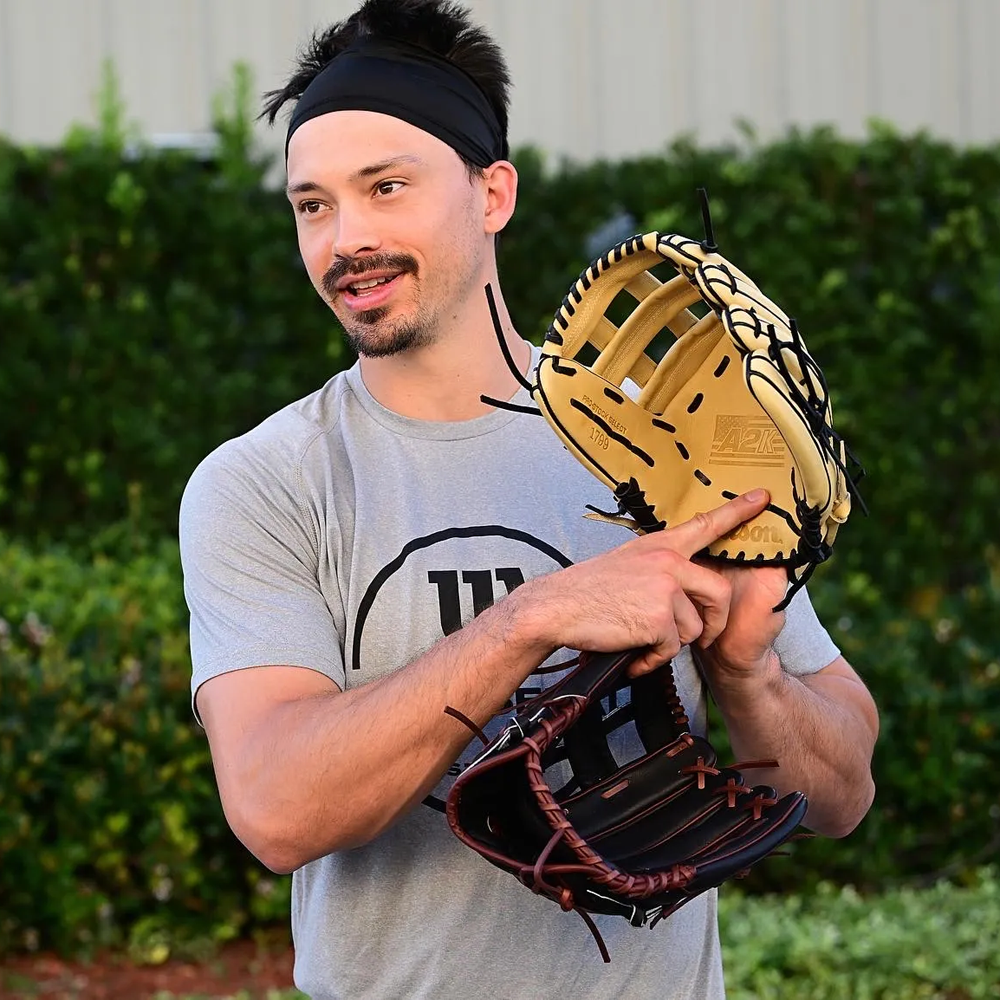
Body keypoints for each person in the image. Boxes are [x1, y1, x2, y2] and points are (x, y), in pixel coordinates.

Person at [178, 1, 878, 997]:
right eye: (313, 205)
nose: (347, 239)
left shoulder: (661, 435)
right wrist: (537, 616)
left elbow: (843, 794)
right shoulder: (264, 483)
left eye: (387, 187)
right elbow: (278, 809)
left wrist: (750, 672)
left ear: (492, 192)